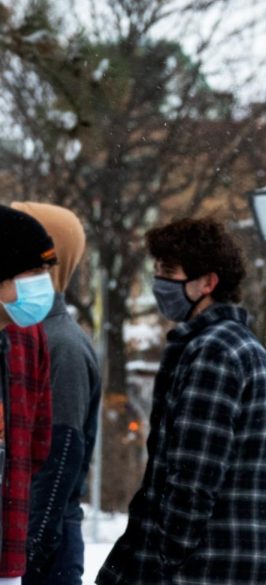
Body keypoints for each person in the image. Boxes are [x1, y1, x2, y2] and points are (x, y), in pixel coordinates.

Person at [96, 217, 266, 585]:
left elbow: (193, 476)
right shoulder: (240, 345)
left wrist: (167, 555)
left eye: (169, 271)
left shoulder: (212, 351)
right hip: (233, 561)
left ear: (208, 282)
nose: (159, 283)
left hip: (207, 568)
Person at [14, 203, 101, 585]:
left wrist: (27, 555)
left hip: (44, 553)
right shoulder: (20, 336)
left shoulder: (61, 345)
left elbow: (60, 460)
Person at [0, 205, 55, 585]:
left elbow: (39, 440)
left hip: (7, 549)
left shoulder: (27, 333)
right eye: (33, 272)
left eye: (47, 272)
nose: (43, 285)